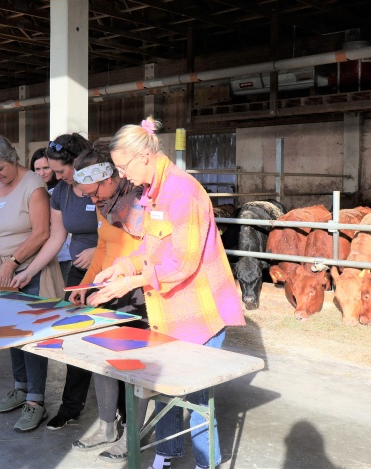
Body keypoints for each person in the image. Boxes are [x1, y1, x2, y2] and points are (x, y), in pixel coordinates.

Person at [88, 117, 246, 469]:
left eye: (122, 166)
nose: (122, 175)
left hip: (198, 313)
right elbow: (151, 247)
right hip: (169, 313)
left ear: (143, 156)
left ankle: (208, 463)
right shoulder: (152, 192)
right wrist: (123, 267)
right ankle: (165, 455)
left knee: (197, 399)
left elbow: (184, 263)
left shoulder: (183, 192)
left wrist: (132, 282)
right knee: (164, 390)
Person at [67, 145, 149, 463]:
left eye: (93, 192)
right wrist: (86, 284)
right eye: (87, 195)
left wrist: (125, 279)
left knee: (134, 366)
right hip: (108, 290)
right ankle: (106, 426)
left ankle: (133, 433)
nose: (92, 200)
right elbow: (102, 248)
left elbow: (153, 254)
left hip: (139, 292)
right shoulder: (106, 205)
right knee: (101, 358)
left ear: (108, 178)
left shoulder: (141, 202)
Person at [0, 135, 64, 432]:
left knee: (33, 335)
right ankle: (20, 387)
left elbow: (41, 233)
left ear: (13, 159)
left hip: (30, 270)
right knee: (13, 334)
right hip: (1, 270)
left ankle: (36, 400)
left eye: (0, 169)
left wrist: (13, 262)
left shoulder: (34, 187)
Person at [29, 133, 99, 431]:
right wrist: (28, 269)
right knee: (76, 338)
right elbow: (56, 237)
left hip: (111, 270)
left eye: (61, 171)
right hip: (79, 274)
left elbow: (122, 230)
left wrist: (98, 251)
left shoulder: (100, 183)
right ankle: (71, 407)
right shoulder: (60, 192)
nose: (57, 177)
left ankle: (120, 412)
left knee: (112, 340)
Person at [31, 147, 72, 280]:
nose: (42, 173)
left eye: (46, 168)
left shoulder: (62, 190)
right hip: (36, 255)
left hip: (61, 255)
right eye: (37, 169)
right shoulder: (32, 192)